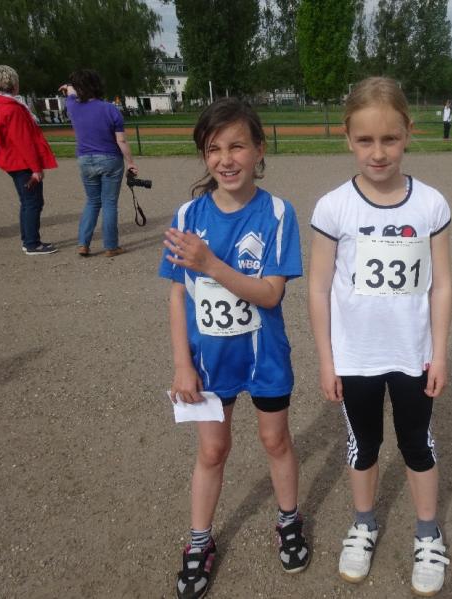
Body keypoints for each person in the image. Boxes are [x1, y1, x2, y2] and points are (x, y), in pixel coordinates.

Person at [308, 77, 452, 596]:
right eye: (365, 140)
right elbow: (318, 287)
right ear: (347, 138)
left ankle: (428, 533)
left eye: (389, 139)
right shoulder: (333, 208)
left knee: (417, 444)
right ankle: (364, 523)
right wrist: (327, 360)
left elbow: (441, 284)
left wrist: (439, 353)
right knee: (363, 444)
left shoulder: (430, 204)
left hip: (413, 355)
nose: (378, 152)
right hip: (356, 357)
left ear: (408, 133)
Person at [159, 98, 309, 599]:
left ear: (259, 150)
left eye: (237, 146)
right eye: (213, 149)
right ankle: (200, 540)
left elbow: (270, 294)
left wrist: (212, 264)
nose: (226, 159)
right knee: (212, 450)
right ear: (204, 156)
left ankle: (288, 519)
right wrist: (182, 364)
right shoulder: (188, 214)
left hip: (265, 358)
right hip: (209, 363)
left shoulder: (277, 213)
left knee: (275, 441)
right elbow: (178, 293)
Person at [0, 65, 58, 255]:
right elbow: (23, 141)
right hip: (21, 160)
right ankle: (31, 243)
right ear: (13, 83)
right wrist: (36, 168)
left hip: (9, 156)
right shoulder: (12, 108)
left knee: (27, 200)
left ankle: (28, 240)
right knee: (33, 202)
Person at [60, 69, 138, 257]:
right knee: (109, 203)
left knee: (92, 201)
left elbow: (70, 94)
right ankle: (111, 246)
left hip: (85, 159)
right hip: (110, 158)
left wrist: (69, 88)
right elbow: (121, 140)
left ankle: (83, 244)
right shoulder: (110, 109)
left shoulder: (72, 106)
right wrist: (130, 162)